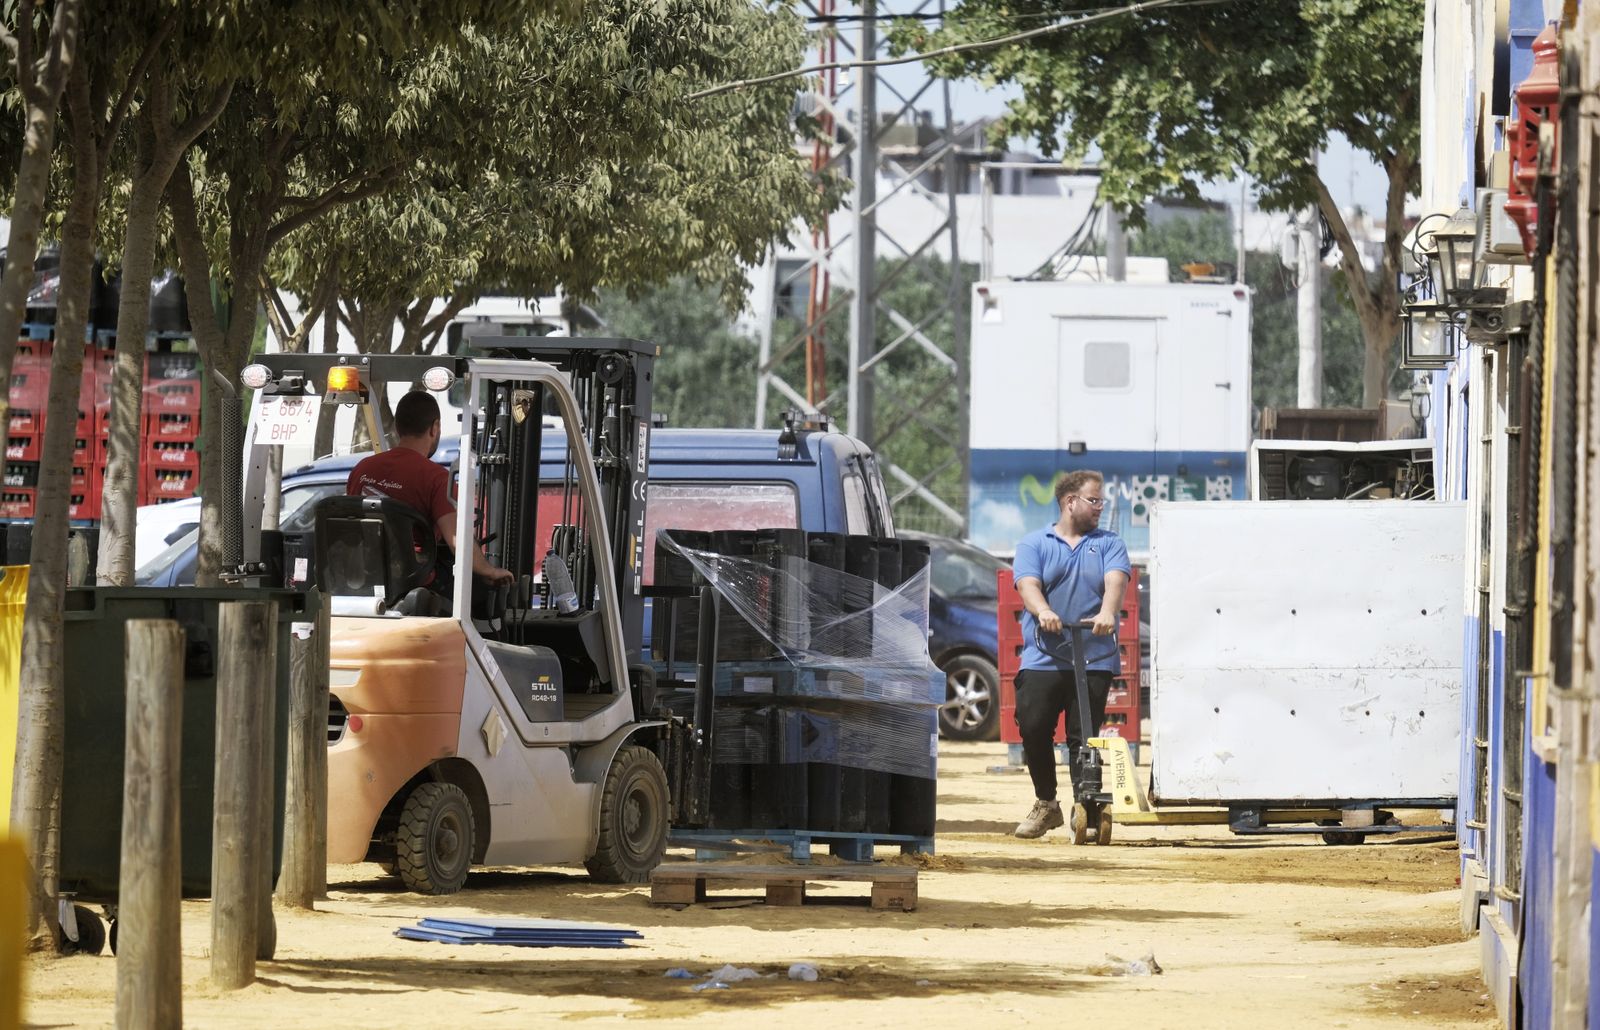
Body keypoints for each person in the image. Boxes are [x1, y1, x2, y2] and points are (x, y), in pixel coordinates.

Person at [1009, 469, 1130, 839]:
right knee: (1033, 726)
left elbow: (1116, 581)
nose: (1099, 508)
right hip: (1045, 654)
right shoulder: (1035, 543)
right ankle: (1047, 803)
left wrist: (1108, 612)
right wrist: (1042, 611)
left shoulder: (1109, 542)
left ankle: (1087, 803)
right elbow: (1027, 584)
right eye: (1094, 500)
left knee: (1084, 734)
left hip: (1092, 656)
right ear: (1070, 502)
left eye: (1101, 501)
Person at [346, 390, 514, 586]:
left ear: (397, 428)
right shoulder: (437, 479)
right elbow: (457, 541)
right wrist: (489, 570)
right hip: (413, 580)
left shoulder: (362, 469)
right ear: (435, 428)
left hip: (361, 577)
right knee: (481, 595)